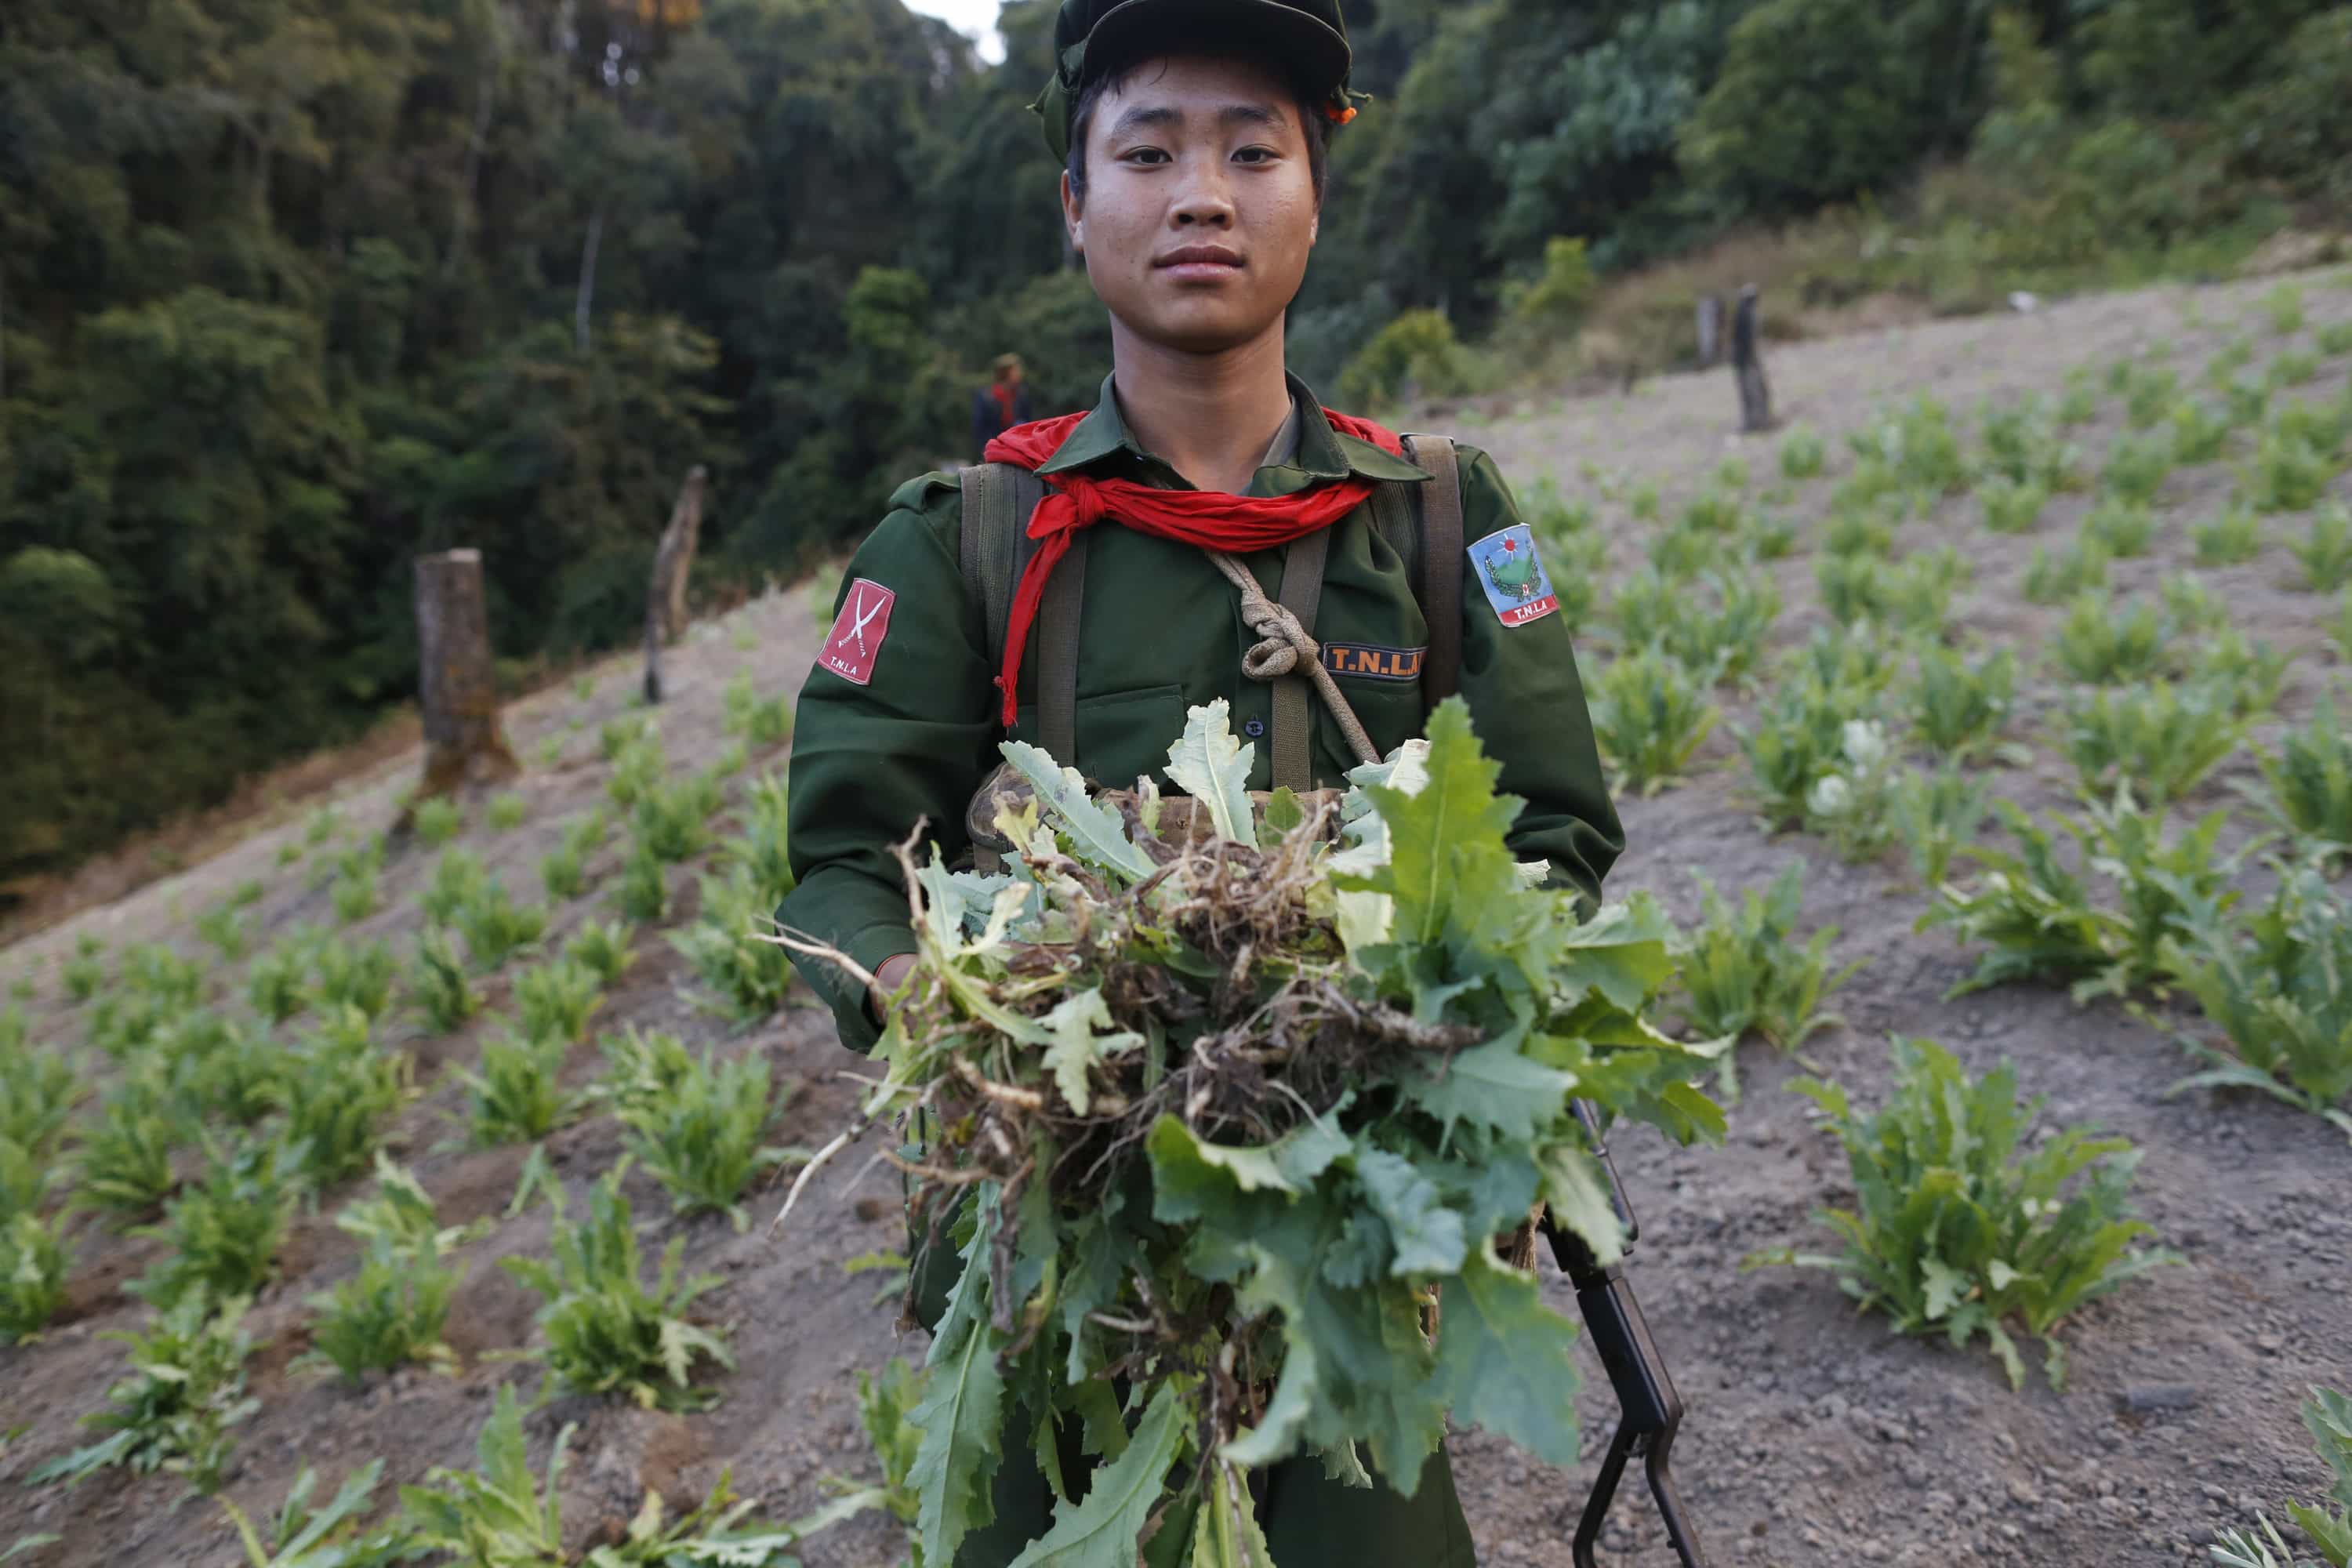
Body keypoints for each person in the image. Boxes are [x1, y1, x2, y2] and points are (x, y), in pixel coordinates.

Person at [778, 2, 1622, 1563]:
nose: (1202, 194)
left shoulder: (1434, 520)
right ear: (1076, 202)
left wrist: (1429, 1001)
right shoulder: (965, 539)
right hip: (1064, 1238)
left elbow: (1554, 836)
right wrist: (945, 996)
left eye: (1253, 150)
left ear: (1315, 192)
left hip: (1350, 1236)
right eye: (1149, 150)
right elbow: (838, 864)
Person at [971, 351, 1036, 458]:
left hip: (1018, 448)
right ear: (1006, 372)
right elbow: (980, 427)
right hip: (994, 448)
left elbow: (1028, 422)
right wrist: (987, 448)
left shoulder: (1021, 395)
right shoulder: (987, 396)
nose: (1020, 373)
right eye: (1016, 370)